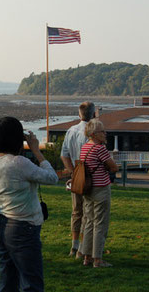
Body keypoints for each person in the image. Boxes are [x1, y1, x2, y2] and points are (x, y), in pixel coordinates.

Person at [0, 117, 59, 292]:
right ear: (17, 139)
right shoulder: (19, 163)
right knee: (31, 283)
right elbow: (52, 177)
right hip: (23, 226)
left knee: (8, 281)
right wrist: (36, 150)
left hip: (2, 224)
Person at [77, 119, 119, 268]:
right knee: (100, 223)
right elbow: (113, 168)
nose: (105, 133)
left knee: (88, 222)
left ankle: (86, 256)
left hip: (88, 189)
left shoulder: (84, 148)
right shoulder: (100, 149)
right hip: (101, 188)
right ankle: (98, 259)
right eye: (102, 131)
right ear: (94, 134)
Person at [59, 102, 97, 257]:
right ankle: (83, 247)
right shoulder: (93, 131)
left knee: (76, 212)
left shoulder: (71, 130)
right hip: (90, 176)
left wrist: (72, 172)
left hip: (76, 174)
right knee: (89, 213)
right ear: (93, 113)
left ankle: (74, 246)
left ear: (79, 114)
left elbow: (64, 155)